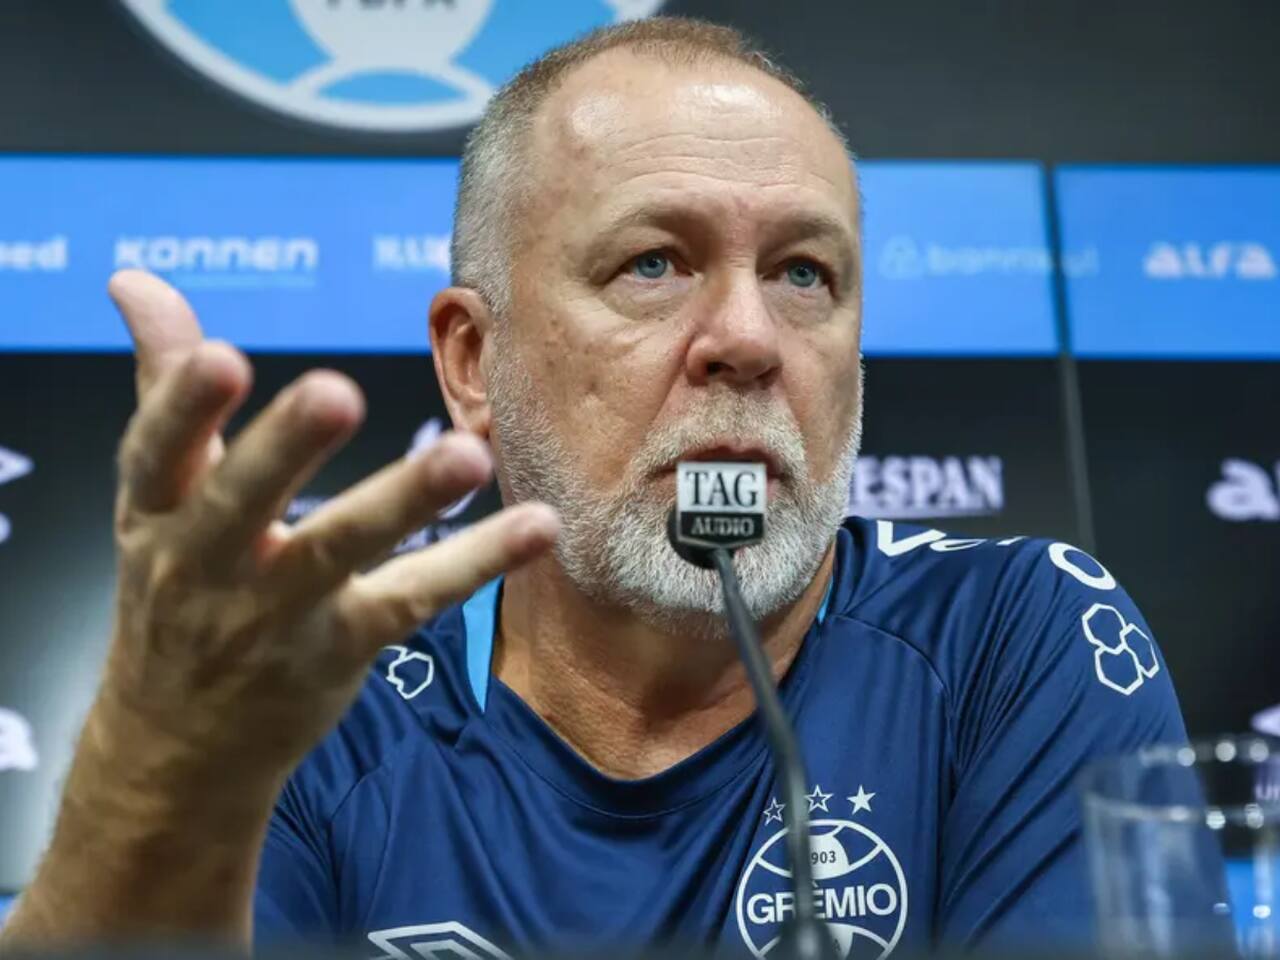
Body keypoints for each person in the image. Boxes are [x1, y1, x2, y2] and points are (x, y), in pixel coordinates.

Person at [0, 16, 1185, 958]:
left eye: (804, 274)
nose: (747, 337)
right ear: (474, 361)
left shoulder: (1015, 642)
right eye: (653, 263)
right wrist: (145, 776)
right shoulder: (318, 704)